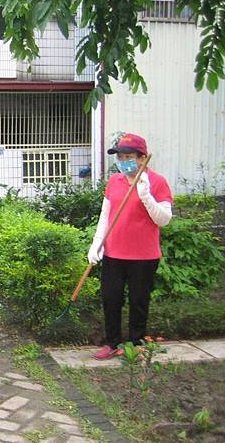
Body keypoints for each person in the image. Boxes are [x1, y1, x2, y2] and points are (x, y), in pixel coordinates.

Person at [88, 133, 173, 360]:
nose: (123, 161)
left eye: (128, 156)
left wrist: (145, 194)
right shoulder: (115, 181)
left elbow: (163, 219)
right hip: (114, 252)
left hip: (144, 256)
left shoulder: (157, 182)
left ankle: (136, 344)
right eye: (120, 157)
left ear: (143, 158)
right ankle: (113, 342)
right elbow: (106, 215)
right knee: (111, 298)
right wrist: (97, 244)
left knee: (139, 300)